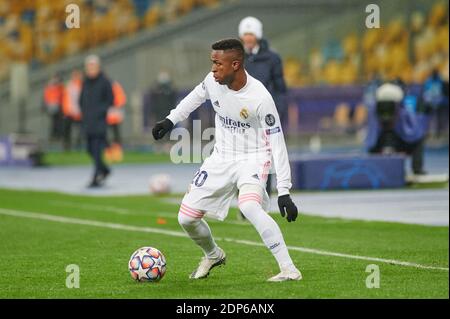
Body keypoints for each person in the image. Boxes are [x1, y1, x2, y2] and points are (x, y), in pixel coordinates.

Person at [152, 39, 301, 282]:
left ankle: (289, 269)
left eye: (217, 63)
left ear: (235, 64)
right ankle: (213, 254)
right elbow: (194, 97)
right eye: (212, 62)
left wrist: (284, 189)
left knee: (249, 206)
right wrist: (170, 121)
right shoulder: (213, 81)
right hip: (220, 157)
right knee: (186, 218)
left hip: (253, 158)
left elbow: (277, 142)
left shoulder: (260, 98)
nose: (213, 69)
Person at [238, 16, 289, 215]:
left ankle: (260, 204)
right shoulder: (237, 58)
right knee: (241, 160)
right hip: (242, 118)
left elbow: (280, 89)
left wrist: (278, 113)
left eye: (251, 34)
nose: (248, 38)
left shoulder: (272, 58)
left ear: (257, 36)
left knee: (265, 161)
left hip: (265, 117)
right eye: (245, 34)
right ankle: (245, 202)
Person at [366, 81, 428, 175]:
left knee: (418, 139)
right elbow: (416, 131)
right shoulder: (375, 112)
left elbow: (414, 133)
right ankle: (417, 169)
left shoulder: (374, 110)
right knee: (419, 139)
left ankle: (417, 168)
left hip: (399, 141)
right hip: (381, 143)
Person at [79, 55, 114, 187]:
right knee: (89, 149)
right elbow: (81, 100)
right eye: (88, 66)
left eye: (93, 66)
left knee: (97, 150)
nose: (90, 69)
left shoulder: (105, 82)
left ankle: (96, 177)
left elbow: (110, 99)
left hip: (99, 122)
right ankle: (104, 170)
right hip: (88, 122)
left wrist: (101, 111)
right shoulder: (85, 82)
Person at [62, 69, 83, 151]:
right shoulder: (69, 85)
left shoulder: (81, 85)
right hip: (69, 112)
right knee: (67, 130)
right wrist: (65, 110)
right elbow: (65, 98)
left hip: (79, 112)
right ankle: (67, 146)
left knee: (81, 130)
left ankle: (78, 144)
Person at [43, 73, 65, 141]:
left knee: (58, 122)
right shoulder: (51, 87)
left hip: (58, 106)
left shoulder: (59, 86)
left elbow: (62, 95)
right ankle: (54, 135)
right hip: (53, 106)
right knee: (54, 122)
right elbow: (46, 97)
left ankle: (57, 135)